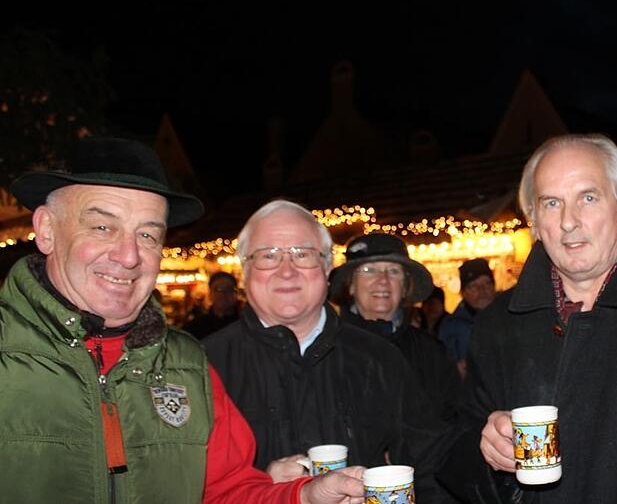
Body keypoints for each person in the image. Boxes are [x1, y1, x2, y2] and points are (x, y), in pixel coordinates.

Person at [0, 138, 364, 503]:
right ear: (46, 229)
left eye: (147, 235)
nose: (129, 256)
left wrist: (302, 497)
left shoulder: (187, 366)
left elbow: (226, 492)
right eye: (102, 227)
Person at [440, 134, 617, 503]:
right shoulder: (498, 323)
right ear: (536, 223)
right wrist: (487, 448)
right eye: (552, 203)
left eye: (588, 198)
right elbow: (461, 438)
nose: (569, 221)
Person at [202, 200, 453, 502]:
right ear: (244, 270)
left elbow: (430, 466)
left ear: (326, 267)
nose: (287, 270)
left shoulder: (378, 358)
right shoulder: (204, 366)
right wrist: (260, 483)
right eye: (268, 256)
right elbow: (184, 486)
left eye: (303, 254)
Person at [329, 233, 460, 423]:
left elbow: (452, 423)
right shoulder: (326, 351)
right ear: (350, 285)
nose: (383, 280)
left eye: (393, 271)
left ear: (405, 286)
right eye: (369, 270)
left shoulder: (432, 353)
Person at [439, 258, 495, 378]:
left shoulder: (508, 319)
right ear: (463, 293)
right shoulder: (452, 326)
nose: (482, 290)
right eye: (473, 286)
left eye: (486, 283)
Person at [184, 271, 241, 339]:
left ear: (236, 294)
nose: (223, 294)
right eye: (218, 289)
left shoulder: (247, 326)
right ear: (210, 294)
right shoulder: (195, 328)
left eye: (229, 289)